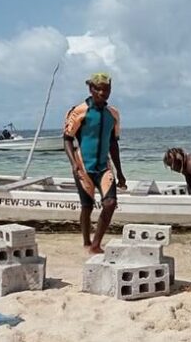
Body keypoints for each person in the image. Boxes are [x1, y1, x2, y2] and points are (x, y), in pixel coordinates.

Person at [63, 72, 127, 254]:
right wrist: (73, 163)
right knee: (87, 206)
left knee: (110, 203)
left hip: (104, 167)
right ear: (91, 89)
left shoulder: (113, 114)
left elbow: (113, 143)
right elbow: (67, 139)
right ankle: (86, 240)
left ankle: (96, 244)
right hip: (83, 166)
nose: (102, 93)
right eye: (98, 89)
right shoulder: (78, 111)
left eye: (106, 89)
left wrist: (120, 173)